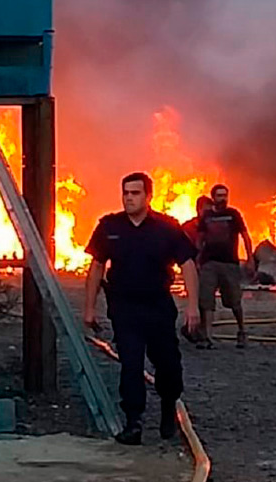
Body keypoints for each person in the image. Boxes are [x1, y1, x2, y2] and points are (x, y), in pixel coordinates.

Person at [83, 172, 200, 446]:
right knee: (130, 365)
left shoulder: (166, 228)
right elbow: (97, 266)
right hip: (124, 308)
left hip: (158, 306)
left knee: (168, 365)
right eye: (125, 193)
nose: (128, 198)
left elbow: (188, 265)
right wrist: (89, 308)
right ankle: (133, 422)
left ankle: (169, 404)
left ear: (148, 196)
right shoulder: (109, 226)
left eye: (135, 193)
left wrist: (193, 306)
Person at [197, 184, 254, 348]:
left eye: (225, 196)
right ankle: (208, 337)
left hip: (229, 263)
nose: (223, 199)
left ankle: (242, 331)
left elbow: (245, 236)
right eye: (219, 196)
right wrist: (197, 258)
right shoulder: (206, 216)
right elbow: (200, 239)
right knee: (206, 300)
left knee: (234, 300)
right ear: (213, 197)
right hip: (209, 263)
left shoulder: (233, 214)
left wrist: (250, 258)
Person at [179, 195, 213, 346]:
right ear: (198, 209)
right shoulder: (188, 228)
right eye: (205, 210)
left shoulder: (212, 225)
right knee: (197, 300)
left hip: (207, 267)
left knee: (205, 300)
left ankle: (200, 332)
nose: (207, 213)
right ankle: (193, 329)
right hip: (193, 267)